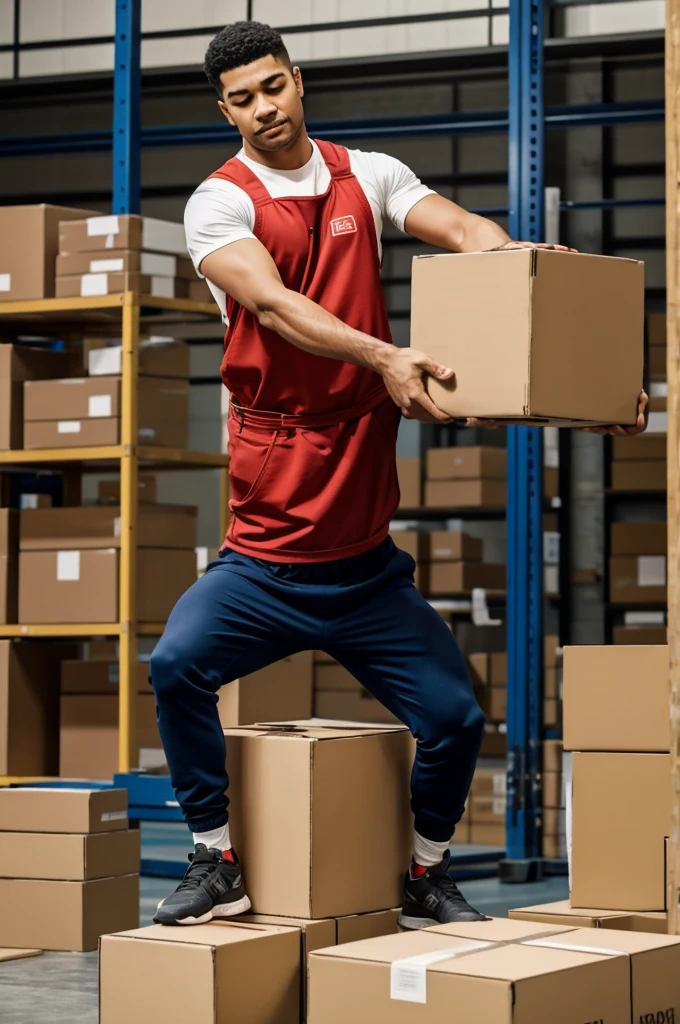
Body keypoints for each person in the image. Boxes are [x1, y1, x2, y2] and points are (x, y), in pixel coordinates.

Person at [150, 20, 647, 928]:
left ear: (298, 82)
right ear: (222, 109)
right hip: (263, 560)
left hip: (364, 565)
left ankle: (424, 872)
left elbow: (460, 228)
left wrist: (530, 272)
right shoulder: (218, 204)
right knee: (177, 664)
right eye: (242, 98)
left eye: (274, 87)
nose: (264, 109)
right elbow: (274, 303)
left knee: (455, 716)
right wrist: (384, 356)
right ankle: (214, 855)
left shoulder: (367, 174)